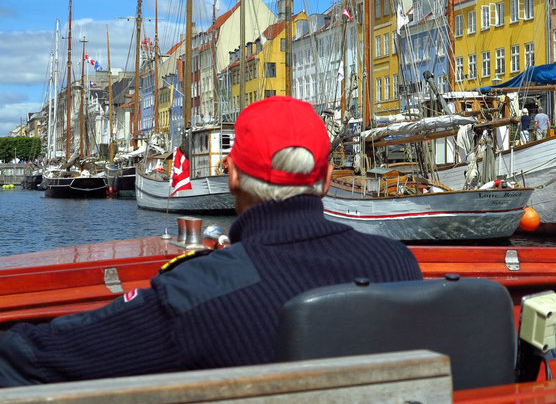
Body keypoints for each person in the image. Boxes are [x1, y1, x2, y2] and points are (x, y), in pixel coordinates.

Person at [0, 97, 422, 387]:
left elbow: (40, 357)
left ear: (232, 174)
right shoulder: (399, 266)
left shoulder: (199, 295)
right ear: (328, 180)